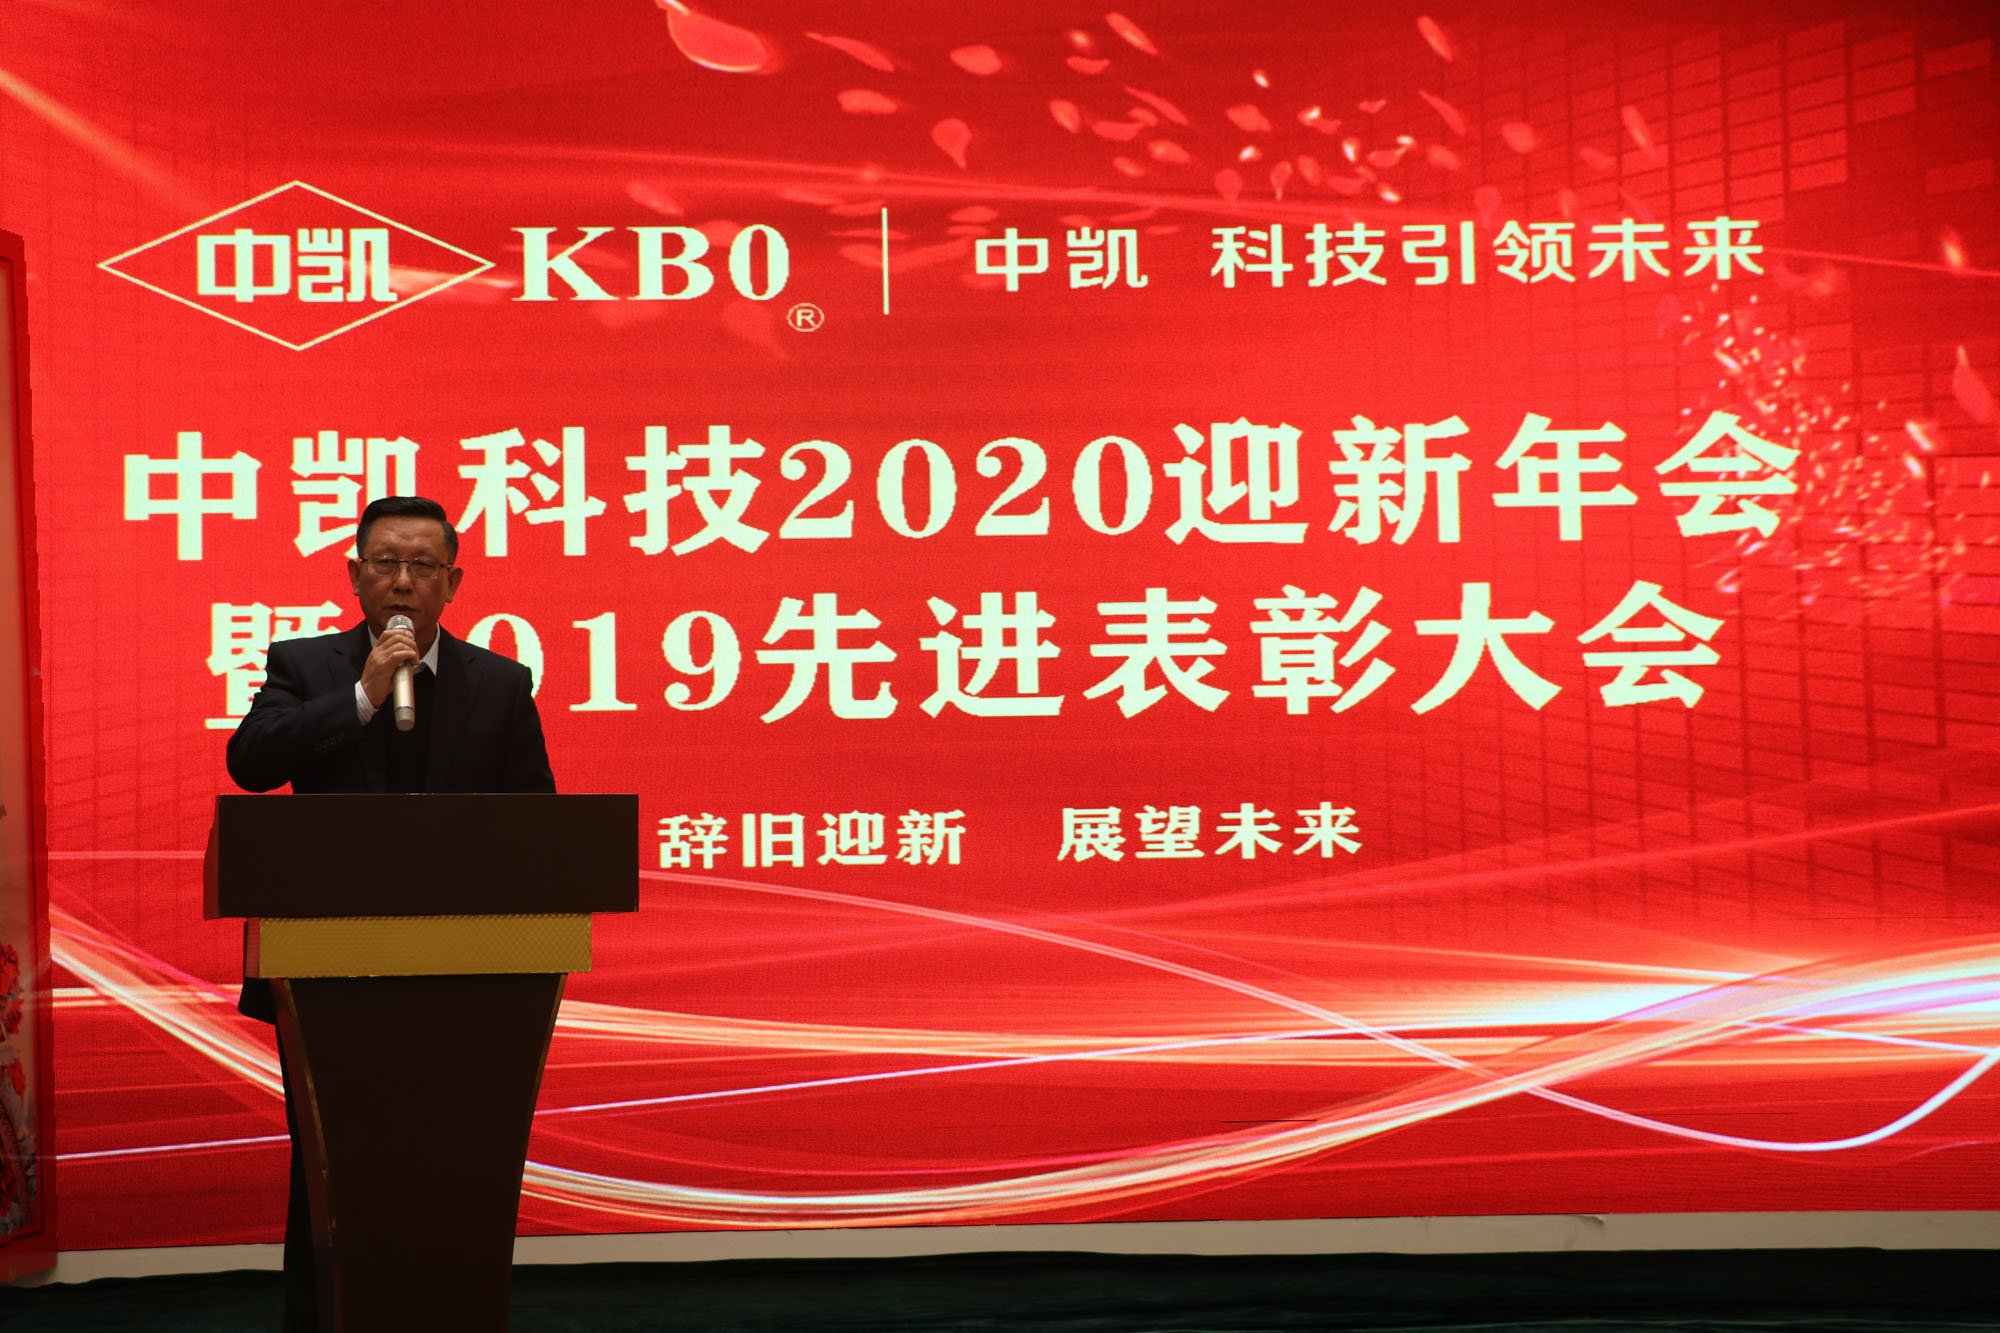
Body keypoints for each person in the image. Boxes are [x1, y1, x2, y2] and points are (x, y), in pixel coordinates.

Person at [224, 495, 555, 1332]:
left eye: (422, 566)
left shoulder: (501, 683)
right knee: (335, 1167)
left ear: (453, 582)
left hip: (471, 978)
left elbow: (540, 827)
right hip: (328, 978)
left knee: (457, 1160)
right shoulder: (306, 665)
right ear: (355, 573)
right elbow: (251, 763)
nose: (403, 582)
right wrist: (362, 696)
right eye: (385, 563)